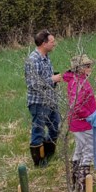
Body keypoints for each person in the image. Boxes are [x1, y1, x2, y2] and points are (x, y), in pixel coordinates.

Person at [24, 29, 63, 168]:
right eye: (52, 42)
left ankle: (48, 154)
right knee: (38, 131)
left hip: (51, 100)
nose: (54, 44)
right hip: (38, 102)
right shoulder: (33, 60)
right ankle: (39, 162)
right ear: (43, 43)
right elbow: (33, 83)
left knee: (55, 127)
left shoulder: (46, 57)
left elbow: (44, 78)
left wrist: (53, 80)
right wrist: (51, 79)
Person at [63, 55, 96, 192]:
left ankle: (75, 182)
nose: (90, 68)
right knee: (88, 149)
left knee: (79, 149)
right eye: (87, 66)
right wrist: (90, 116)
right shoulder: (78, 83)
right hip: (83, 123)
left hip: (78, 122)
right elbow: (76, 105)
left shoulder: (78, 80)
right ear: (80, 68)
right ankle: (83, 185)